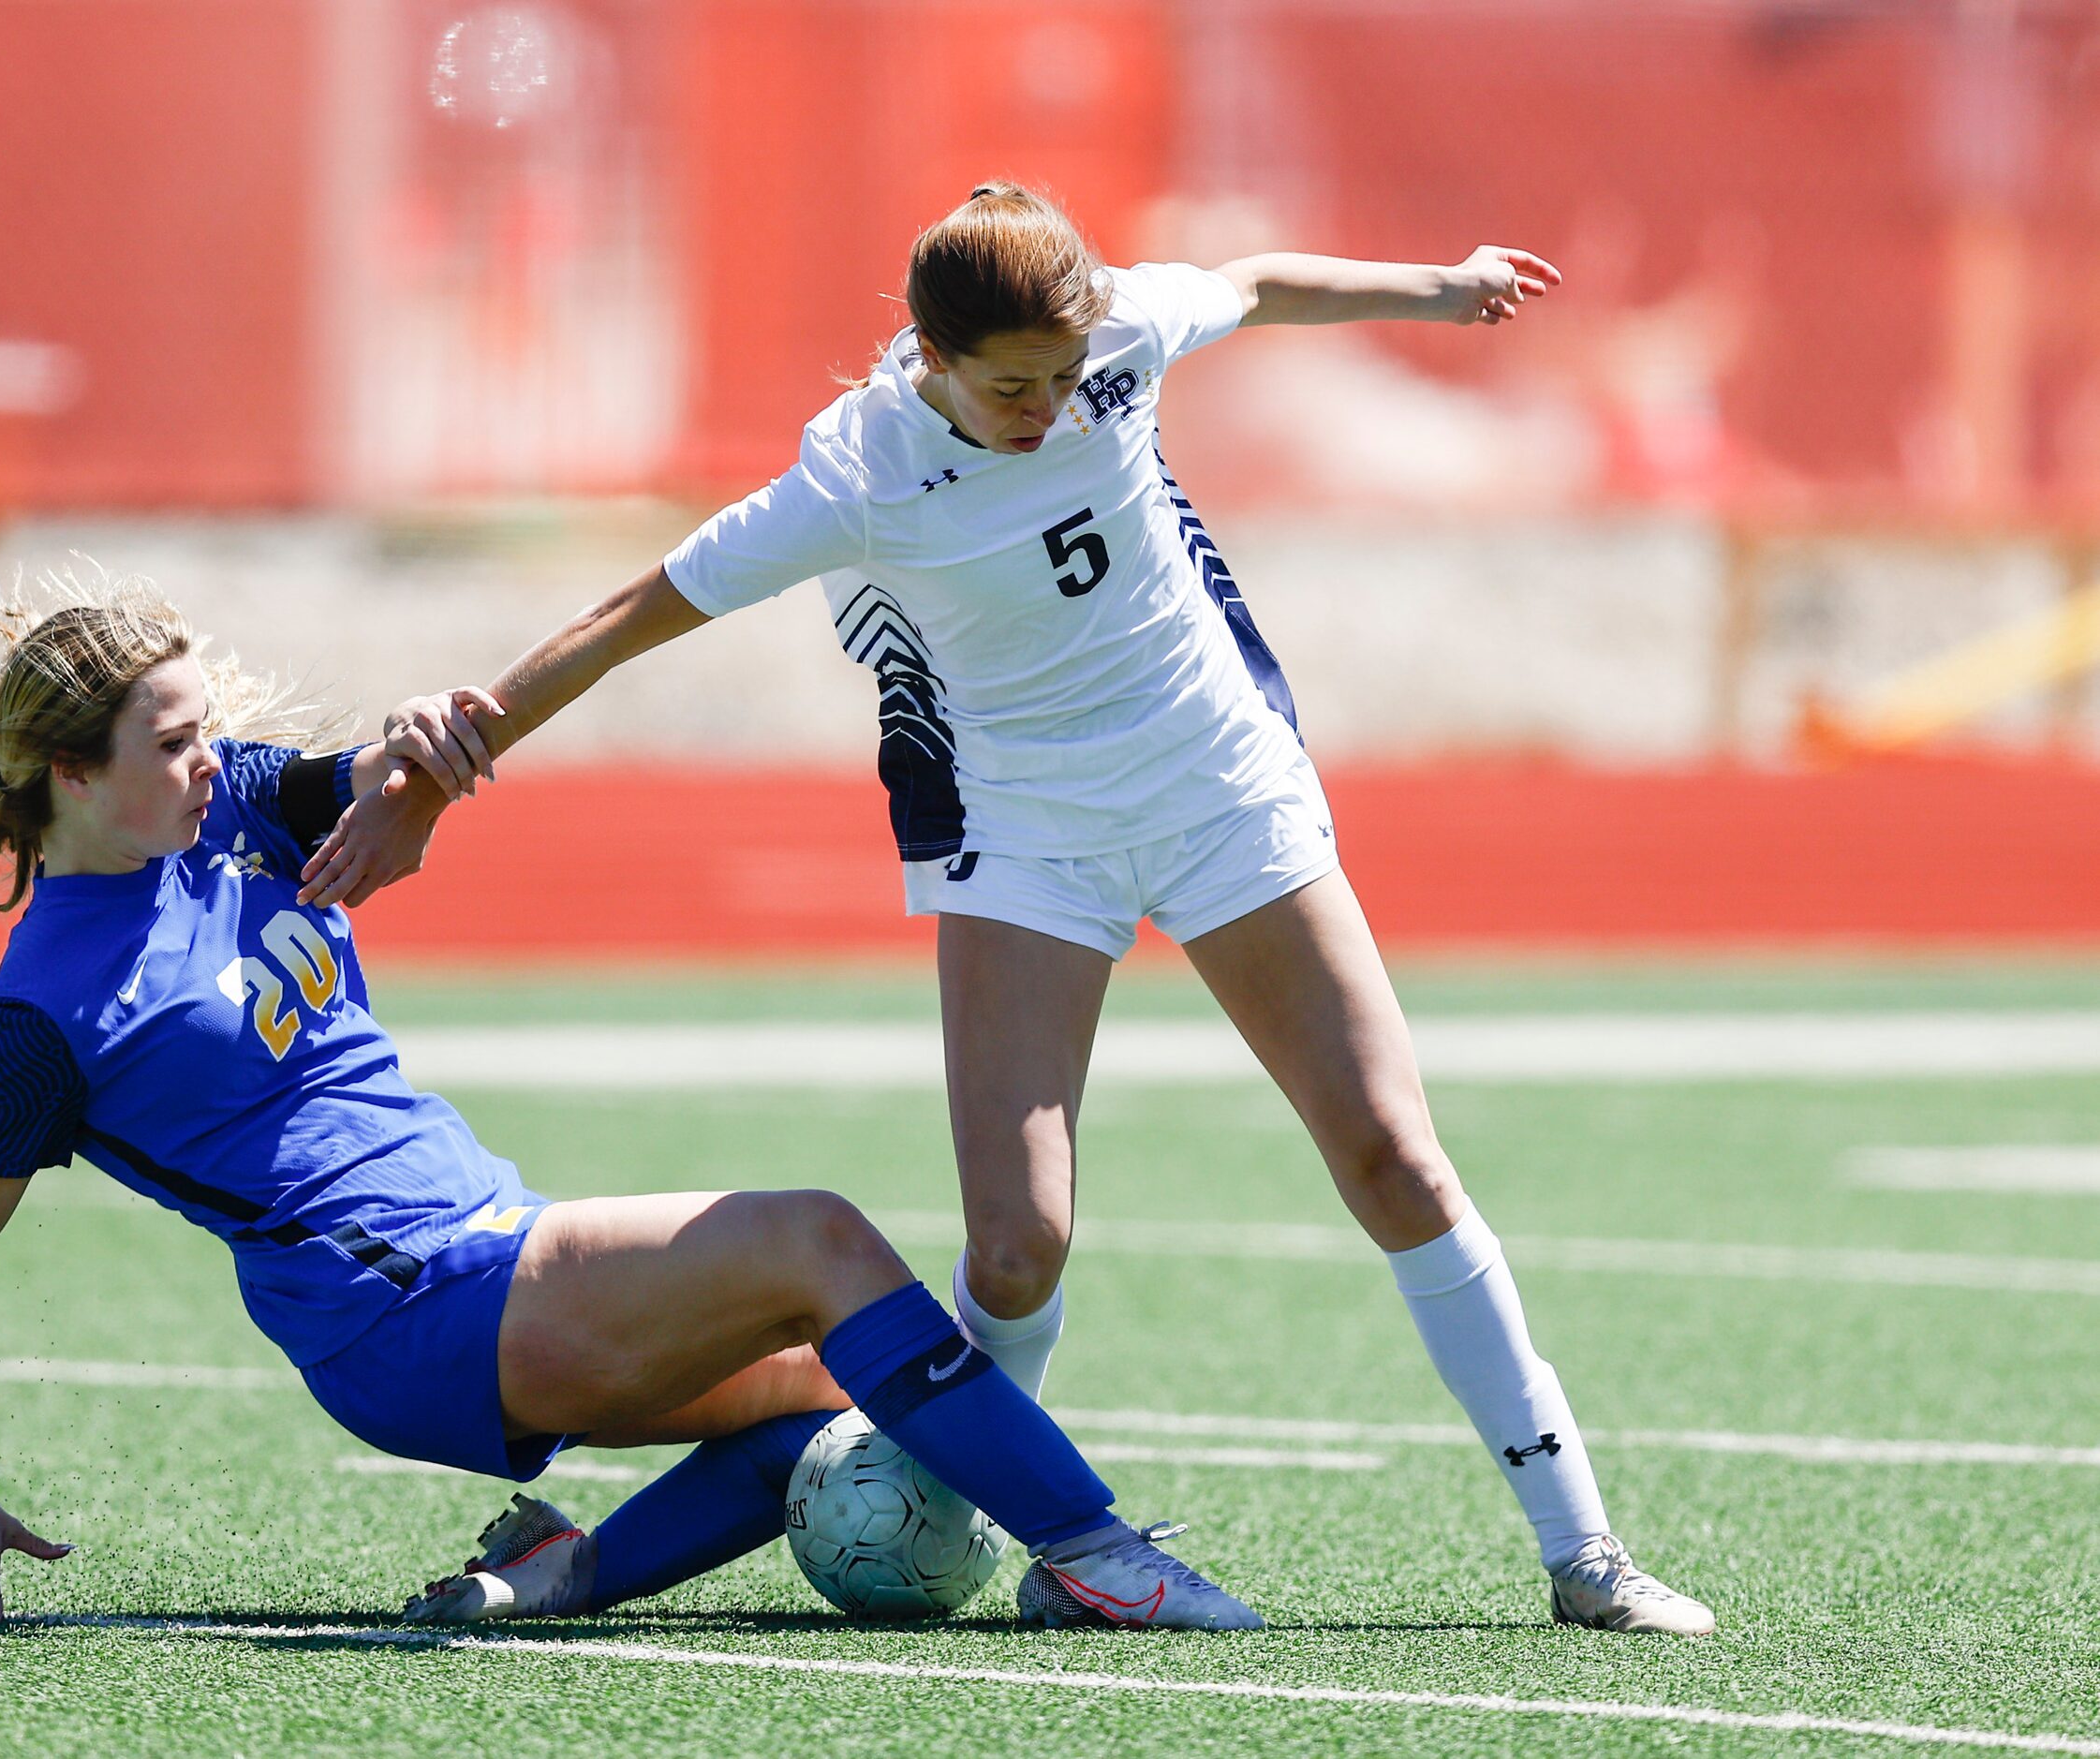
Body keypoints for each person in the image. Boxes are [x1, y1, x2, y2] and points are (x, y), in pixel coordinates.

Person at [303, 185, 1713, 1635]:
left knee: (1395, 1160)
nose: (1050, 406)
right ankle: (997, 1520)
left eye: (1064, 376)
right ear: (930, 358)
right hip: (1027, 836)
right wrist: (446, 767)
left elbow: (1257, 282)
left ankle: (1583, 1553)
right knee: (1018, 1243)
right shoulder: (855, 476)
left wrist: (1444, 281)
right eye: (1012, 386)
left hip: (1221, 787)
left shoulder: (1121, 336)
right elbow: (633, 613)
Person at [0, 579, 1263, 1632]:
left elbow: (377, 781)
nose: (207, 756)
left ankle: (564, 1575)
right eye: (169, 740)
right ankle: (1094, 1552)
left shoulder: (224, 807)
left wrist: (424, 742)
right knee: (820, 1238)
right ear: (66, 776)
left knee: (831, 1376)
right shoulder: (44, 1017)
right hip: (411, 1312)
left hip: (489, 1240)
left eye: (204, 728)